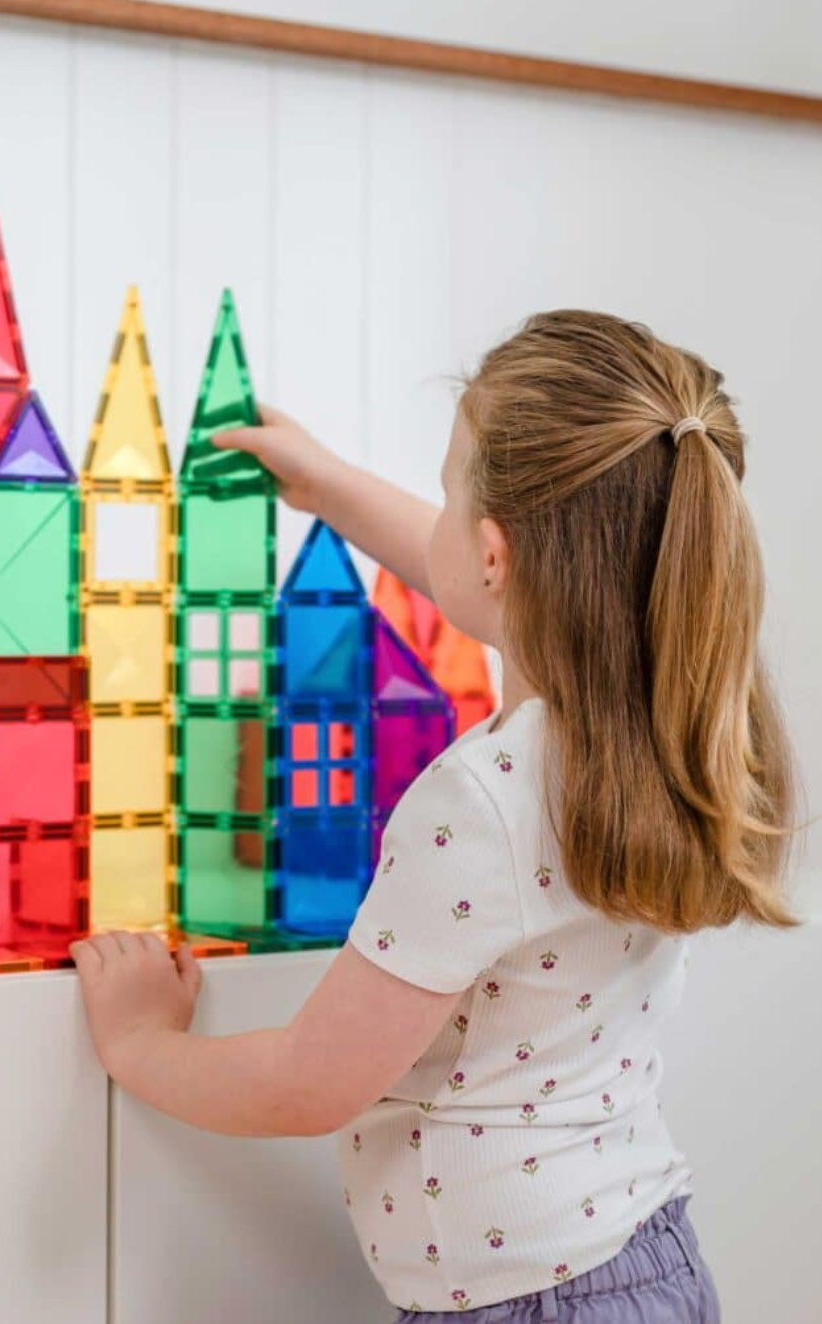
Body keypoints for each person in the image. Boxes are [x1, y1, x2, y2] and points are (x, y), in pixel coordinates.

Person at [68, 310, 800, 1321]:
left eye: (450, 489)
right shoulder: (668, 727)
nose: (439, 514)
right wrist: (327, 485)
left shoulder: (482, 802)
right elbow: (477, 568)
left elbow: (308, 1081)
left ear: (496, 555)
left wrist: (140, 1041)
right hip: (647, 1263)